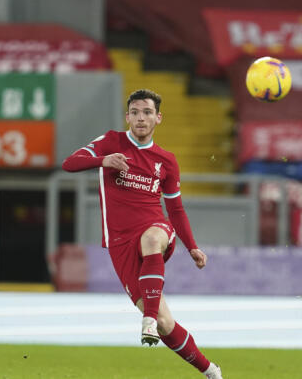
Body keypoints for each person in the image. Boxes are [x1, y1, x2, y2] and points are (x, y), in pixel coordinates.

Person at [62, 88, 223, 379]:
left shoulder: (167, 160)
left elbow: (175, 210)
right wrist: (103, 161)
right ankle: (211, 371)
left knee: (152, 239)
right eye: (135, 112)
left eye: (147, 112)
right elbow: (69, 163)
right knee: (165, 323)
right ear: (127, 116)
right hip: (120, 242)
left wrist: (192, 247)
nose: (140, 118)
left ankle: (146, 319)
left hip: (156, 230)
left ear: (158, 118)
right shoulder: (111, 142)